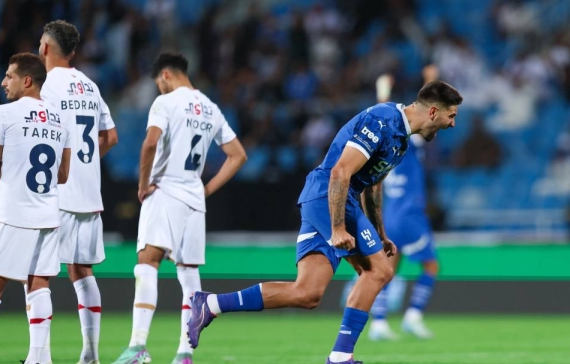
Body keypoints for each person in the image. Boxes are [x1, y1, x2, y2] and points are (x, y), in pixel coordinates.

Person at [188, 80, 462, 364]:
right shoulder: (382, 121)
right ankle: (341, 356)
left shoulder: (402, 140)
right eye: (451, 115)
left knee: (307, 294)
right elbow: (341, 171)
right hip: (328, 196)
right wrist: (338, 228)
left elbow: (374, 184)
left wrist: (380, 232)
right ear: (432, 112)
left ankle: (210, 304)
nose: (452, 124)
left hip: (333, 199)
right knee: (379, 271)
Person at [112, 53, 247, 364]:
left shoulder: (166, 102)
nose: (159, 88)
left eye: (159, 83)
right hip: (193, 200)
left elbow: (149, 143)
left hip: (166, 190)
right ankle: (185, 353)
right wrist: (207, 188)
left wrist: (143, 184)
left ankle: (137, 347)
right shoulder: (211, 108)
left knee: (147, 262)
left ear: (167, 76)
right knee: (189, 276)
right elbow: (238, 155)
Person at [0, 53, 70, 364]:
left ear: (27, 81)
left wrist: (2, 164)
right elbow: (63, 175)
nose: (2, 82)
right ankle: (39, 358)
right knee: (38, 285)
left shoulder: (4, 114)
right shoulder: (58, 119)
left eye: (9, 76)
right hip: (49, 215)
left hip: (15, 215)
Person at [36, 20, 118, 364]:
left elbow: (43, 137)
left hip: (59, 193)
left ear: (44, 48)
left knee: (38, 275)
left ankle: (40, 357)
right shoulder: (89, 85)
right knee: (81, 271)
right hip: (89, 196)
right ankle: (91, 353)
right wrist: (86, 165)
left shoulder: (47, 86)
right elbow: (110, 137)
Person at [363, 68, 441, 341]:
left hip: (388, 214)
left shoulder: (385, 147)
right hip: (409, 214)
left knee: (388, 270)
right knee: (431, 266)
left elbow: (381, 118)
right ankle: (413, 316)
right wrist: (431, 79)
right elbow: (430, 111)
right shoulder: (410, 143)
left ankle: (379, 323)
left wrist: (382, 91)